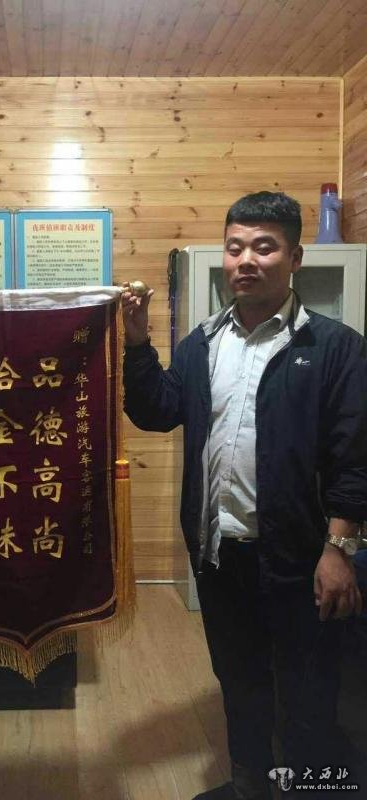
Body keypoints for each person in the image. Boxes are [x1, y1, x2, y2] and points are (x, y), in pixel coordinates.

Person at [122, 191, 367, 800]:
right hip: (219, 553)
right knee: (239, 681)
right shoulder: (202, 343)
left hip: (301, 557)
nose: (246, 260)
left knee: (309, 692)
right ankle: (249, 784)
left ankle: (309, 788)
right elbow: (158, 411)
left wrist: (339, 550)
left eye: (264, 247)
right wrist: (136, 343)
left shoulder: (334, 347)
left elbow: (354, 458)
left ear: (295, 258)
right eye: (235, 248)